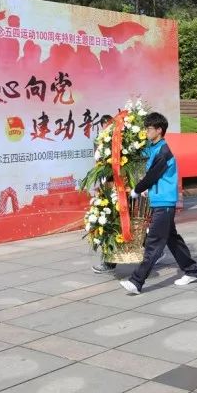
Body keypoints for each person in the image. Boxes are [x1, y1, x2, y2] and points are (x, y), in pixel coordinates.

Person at [119, 112, 197, 294]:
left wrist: (136, 190)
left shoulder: (164, 152)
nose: (146, 132)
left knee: (154, 243)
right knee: (172, 239)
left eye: (149, 129)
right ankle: (192, 270)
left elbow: (152, 176)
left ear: (159, 130)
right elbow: (139, 152)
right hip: (160, 201)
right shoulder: (154, 147)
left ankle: (136, 281)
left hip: (164, 202)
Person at [91, 115, 117, 274]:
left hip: (125, 189)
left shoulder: (125, 142)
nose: (108, 130)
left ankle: (154, 253)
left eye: (111, 126)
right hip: (108, 190)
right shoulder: (99, 143)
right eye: (106, 127)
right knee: (108, 224)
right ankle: (109, 262)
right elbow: (98, 166)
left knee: (134, 225)